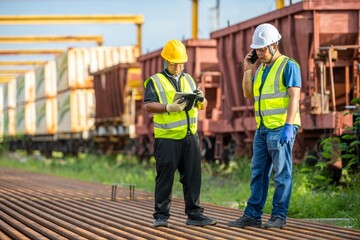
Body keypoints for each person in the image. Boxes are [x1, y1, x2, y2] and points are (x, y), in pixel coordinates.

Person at [228, 23, 301, 229]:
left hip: (281, 129)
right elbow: (248, 94)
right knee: (258, 172)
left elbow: (295, 96)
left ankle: (279, 216)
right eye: (257, 49)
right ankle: (252, 215)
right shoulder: (260, 68)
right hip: (262, 129)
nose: (259, 53)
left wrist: (288, 126)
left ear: (274, 45)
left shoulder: (289, 66)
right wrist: (247, 69)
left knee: (281, 174)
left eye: (262, 49)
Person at [143, 39, 217, 228]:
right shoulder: (155, 81)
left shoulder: (189, 79)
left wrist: (202, 100)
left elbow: (203, 104)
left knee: (193, 177)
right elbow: (148, 106)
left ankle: (194, 214)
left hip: (190, 137)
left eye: (181, 63)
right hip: (167, 139)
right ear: (165, 61)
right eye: (174, 63)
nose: (178, 66)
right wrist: (169, 107)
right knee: (165, 178)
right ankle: (161, 216)